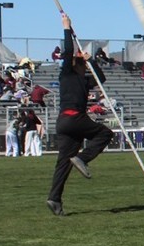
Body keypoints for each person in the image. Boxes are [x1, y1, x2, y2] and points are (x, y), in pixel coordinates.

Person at [46, 14, 114, 215]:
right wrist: (66, 28)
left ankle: (54, 198)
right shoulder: (70, 74)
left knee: (64, 162)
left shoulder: (73, 79)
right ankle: (83, 158)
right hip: (75, 118)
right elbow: (68, 53)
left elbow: (100, 79)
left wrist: (89, 59)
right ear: (81, 66)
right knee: (105, 133)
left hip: (63, 122)